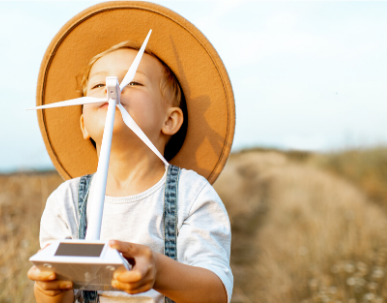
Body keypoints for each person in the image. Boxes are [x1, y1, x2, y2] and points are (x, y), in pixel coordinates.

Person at [27, 2, 236, 303]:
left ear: (170, 120)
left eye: (133, 82)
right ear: (84, 123)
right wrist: (49, 290)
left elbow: (215, 294)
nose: (112, 87)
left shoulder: (192, 195)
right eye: (98, 84)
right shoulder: (67, 202)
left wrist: (159, 272)